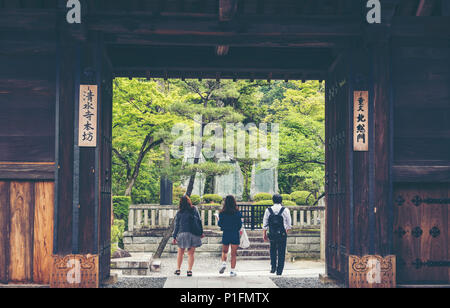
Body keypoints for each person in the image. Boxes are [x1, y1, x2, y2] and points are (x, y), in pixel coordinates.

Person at [172, 195, 204, 277]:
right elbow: (199, 221)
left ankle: (178, 269)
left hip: (182, 233)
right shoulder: (194, 209)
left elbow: (176, 225)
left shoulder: (179, 212)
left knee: (180, 253)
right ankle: (189, 271)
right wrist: (201, 232)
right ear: (189, 201)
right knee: (191, 253)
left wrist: (174, 236)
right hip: (193, 233)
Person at [262, 194, 292, 276]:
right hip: (282, 233)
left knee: (272, 250)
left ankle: (273, 267)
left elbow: (265, 224)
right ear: (281, 201)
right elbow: (289, 224)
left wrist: (264, 234)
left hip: (272, 233)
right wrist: (286, 231)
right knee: (281, 252)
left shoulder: (268, 210)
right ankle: (279, 270)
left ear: (273, 200)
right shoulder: (285, 210)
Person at [217, 195, 243, 277]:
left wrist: (218, 219)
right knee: (233, 254)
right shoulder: (237, 213)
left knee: (224, 251)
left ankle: (224, 263)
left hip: (226, 233)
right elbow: (239, 225)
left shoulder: (222, 213)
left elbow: (220, 224)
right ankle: (232, 271)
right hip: (235, 233)